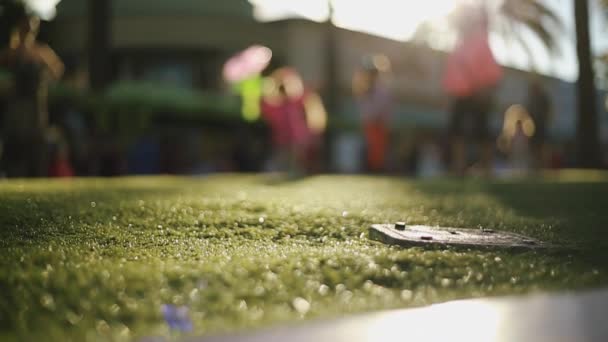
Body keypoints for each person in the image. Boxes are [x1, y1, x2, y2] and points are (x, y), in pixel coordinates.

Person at [0, 9, 64, 177]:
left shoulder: (40, 51)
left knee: (35, 140)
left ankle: (35, 173)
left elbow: (57, 70)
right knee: (15, 139)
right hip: (17, 103)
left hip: (35, 103)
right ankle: (12, 172)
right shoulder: (11, 52)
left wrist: (46, 81)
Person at [443, 3, 502, 176]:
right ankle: (459, 166)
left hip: (478, 93)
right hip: (460, 94)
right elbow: (452, 72)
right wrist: (449, 93)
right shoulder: (459, 44)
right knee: (456, 131)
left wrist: (486, 88)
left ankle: (486, 167)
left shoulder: (480, 41)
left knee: (482, 130)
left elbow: (491, 70)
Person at [353, 55, 393, 173]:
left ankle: (378, 169)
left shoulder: (381, 89)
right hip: (370, 123)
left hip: (380, 123)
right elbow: (365, 108)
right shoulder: (364, 88)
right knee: (371, 148)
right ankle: (371, 169)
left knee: (379, 150)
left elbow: (385, 107)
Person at [525, 78, 552, 169]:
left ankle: (543, 166)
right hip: (533, 126)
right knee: (534, 146)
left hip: (541, 125)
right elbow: (527, 112)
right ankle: (536, 166)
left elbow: (547, 111)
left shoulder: (543, 97)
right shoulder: (531, 98)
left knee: (542, 146)